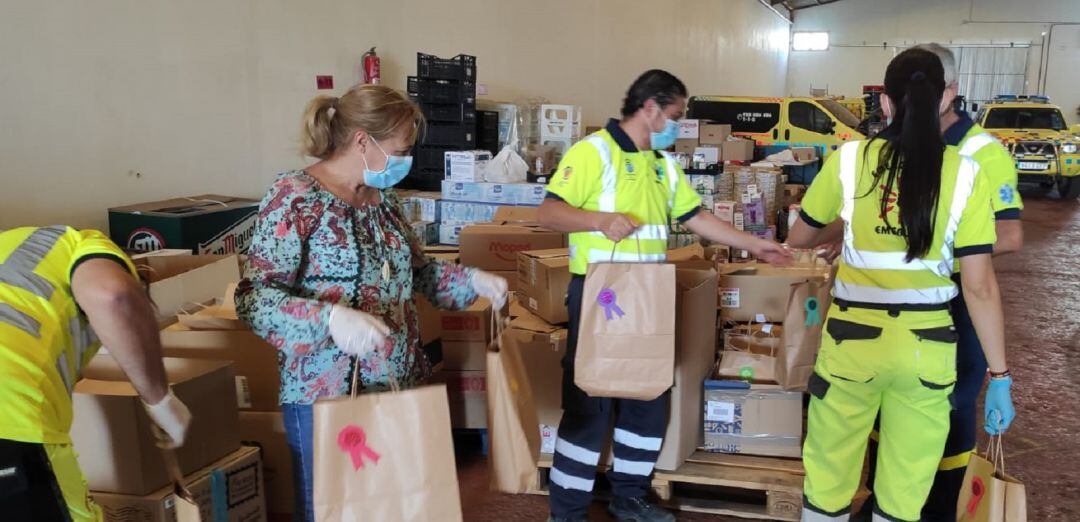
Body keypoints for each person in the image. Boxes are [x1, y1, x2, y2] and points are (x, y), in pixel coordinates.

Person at [234, 84, 508, 522]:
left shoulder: (385, 201)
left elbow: (419, 272)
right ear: (363, 140)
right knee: (334, 509)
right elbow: (253, 298)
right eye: (401, 149)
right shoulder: (295, 197)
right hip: (326, 395)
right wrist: (330, 319)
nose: (406, 160)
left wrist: (472, 280)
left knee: (399, 506)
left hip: (399, 384)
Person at [537, 69, 793, 522]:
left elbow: (695, 217)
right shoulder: (594, 153)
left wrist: (755, 244)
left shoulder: (663, 165)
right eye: (674, 115)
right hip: (602, 298)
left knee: (647, 401)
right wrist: (598, 220)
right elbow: (549, 212)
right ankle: (569, 511)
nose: (677, 125)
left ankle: (629, 497)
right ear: (650, 108)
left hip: (648, 297)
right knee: (588, 408)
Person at [787, 48, 1015, 521]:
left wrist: (851, 225)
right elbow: (979, 288)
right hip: (926, 351)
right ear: (941, 100)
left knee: (828, 481)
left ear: (887, 104)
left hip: (852, 345)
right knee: (903, 492)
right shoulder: (966, 173)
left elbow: (800, 237)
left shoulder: (849, 161)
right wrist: (999, 376)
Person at [854, 43, 1024, 522]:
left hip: (949, 309)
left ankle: (934, 511)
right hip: (889, 309)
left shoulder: (980, 152)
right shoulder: (890, 147)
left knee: (944, 419)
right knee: (885, 415)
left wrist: (940, 246)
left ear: (950, 91)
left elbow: (1009, 235)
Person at [0, 226, 191, 522]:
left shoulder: (16, 251)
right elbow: (112, 295)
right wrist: (159, 399)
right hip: (10, 424)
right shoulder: (82, 242)